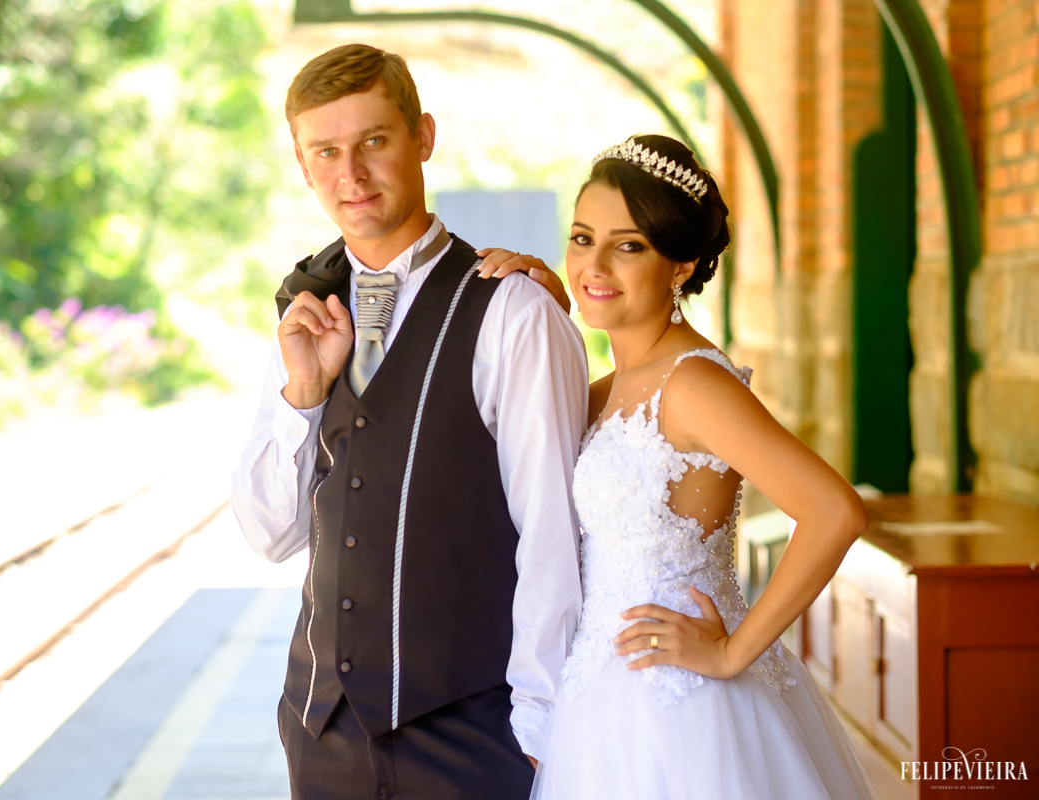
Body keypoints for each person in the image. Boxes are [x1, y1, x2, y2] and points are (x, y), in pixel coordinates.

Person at [230, 44, 587, 799]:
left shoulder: (512, 311)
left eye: (374, 142)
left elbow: (553, 533)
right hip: (320, 728)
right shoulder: (305, 310)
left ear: (423, 137)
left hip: (471, 735)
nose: (350, 176)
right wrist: (303, 392)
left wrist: (539, 729)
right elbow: (270, 535)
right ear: (303, 165)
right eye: (326, 152)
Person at [481, 133, 879, 799]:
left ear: (679, 264)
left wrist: (730, 651)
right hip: (596, 698)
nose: (594, 262)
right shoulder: (606, 391)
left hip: (681, 706)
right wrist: (546, 311)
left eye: (628, 245)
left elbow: (835, 511)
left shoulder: (694, 384)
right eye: (582, 238)